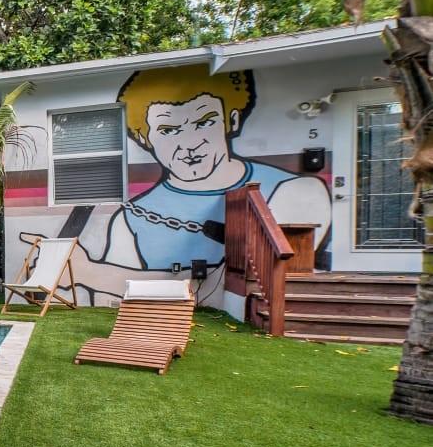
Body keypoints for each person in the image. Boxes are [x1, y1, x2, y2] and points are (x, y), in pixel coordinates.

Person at [41, 65, 330, 304]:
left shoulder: (296, 192)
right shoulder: (130, 218)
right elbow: (122, 296)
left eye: (204, 122)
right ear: (144, 139)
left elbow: (210, 285)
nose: (190, 144)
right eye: (169, 130)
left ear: (231, 120)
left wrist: (89, 272)